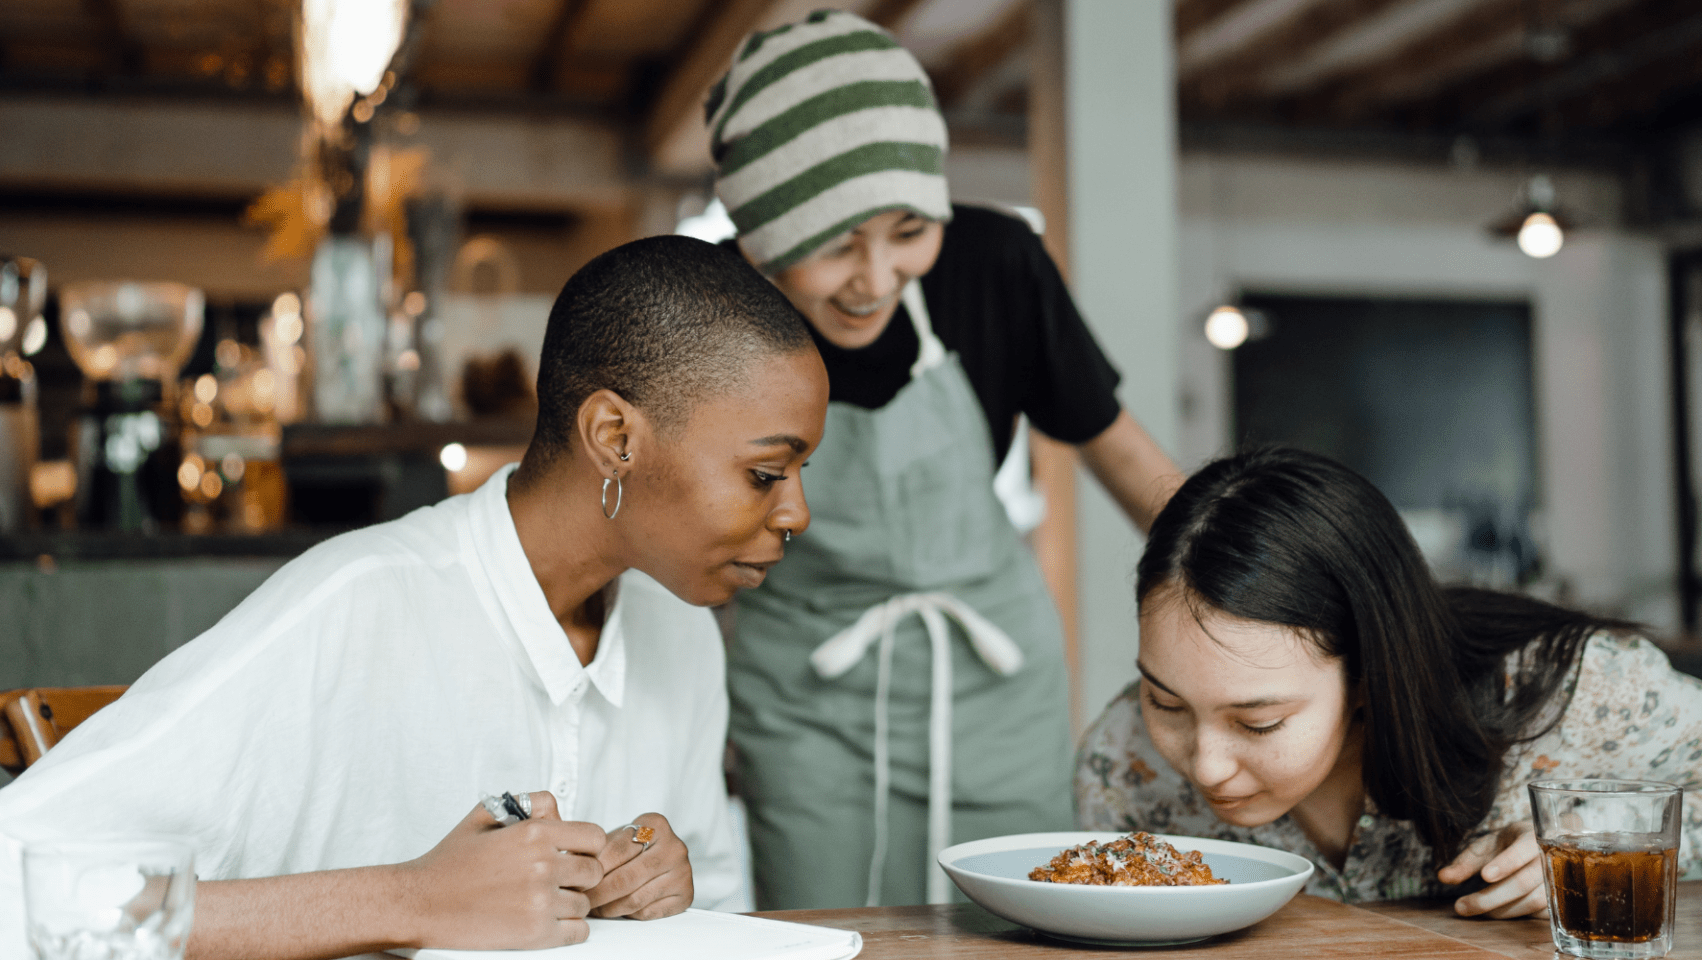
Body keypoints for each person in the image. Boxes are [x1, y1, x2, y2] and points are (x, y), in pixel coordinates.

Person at [0, 235, 829, 960]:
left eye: (798, 474)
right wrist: (408, 900)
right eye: (764, 474)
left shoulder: (680, 633)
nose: (797, 513)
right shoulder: (354, 609)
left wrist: (664, 890)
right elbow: (19, 892)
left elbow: (726, 910)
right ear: (615, 437)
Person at [705, 10, 1181, 910]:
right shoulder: (713, 308)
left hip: (997, 683)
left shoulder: (995, 263)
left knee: (1018, 922)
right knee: (826, 930)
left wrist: (1273, 585)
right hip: (804, 692)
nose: (878, 276)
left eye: (907, 229)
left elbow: (1123, 456)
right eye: (834, 242)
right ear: (759, 237)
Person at [1076, 446, 1702, 917]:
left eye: (1257, 721)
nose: (1206, 766)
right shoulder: (1125, 760)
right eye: (1166, 701)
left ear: (1372, 673)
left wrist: (1607, 848)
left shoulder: (1576, 691)